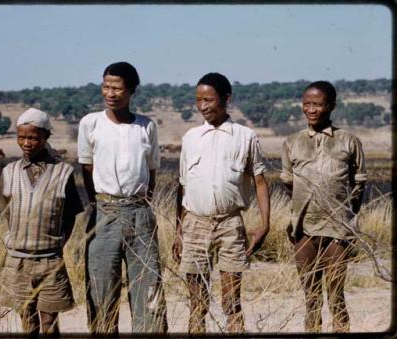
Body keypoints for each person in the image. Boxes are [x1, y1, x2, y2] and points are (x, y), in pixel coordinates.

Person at [172, 73, 270, 333]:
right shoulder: (191, 138)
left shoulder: (245, 136)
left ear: (226, 99)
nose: (203, 106)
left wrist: (265, 224)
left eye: (209, 100)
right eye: (198, 100)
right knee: (197, 303)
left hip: (230, 223)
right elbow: (183, 187)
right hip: (194, 223)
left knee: (231, 301)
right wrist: (179, 231)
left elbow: (260, 182)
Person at [78, 61, 168, 334]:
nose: (110, 93)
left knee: (148, 287)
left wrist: (143, 204)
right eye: (106, 86)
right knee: (101, 289)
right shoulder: (90, 123)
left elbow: (151, 171)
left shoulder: (146, 126)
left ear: (131, 91)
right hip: (104, 213)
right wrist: (99, 204)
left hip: (141, 213)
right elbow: (86, 167)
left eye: (117, 88)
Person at [280, 81, 366, 333]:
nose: (311, 109)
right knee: (311, 299)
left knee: (336, 296)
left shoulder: (348, 141)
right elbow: (288, 183)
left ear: (331, 106)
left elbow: (359, 182)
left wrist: (347, 216)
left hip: (338, 230)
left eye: (317, 104)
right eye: (307, 104)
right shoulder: (292, 142)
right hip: (303, 230)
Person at [0, 108, 83, 336]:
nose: (26, 143)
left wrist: (59, 242)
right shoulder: (9, 171)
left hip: (50, 259)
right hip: (18, 261)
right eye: (21, 137)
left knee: (49, 322)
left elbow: (71, 214)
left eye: (33, 137)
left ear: (45, 137)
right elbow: (6, 210)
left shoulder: (63, 172)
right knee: (27, 320)